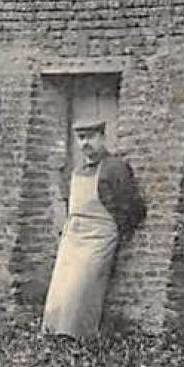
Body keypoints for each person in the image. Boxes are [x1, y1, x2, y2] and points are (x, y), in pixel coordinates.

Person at [41, 118, 147, 339]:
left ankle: (78, 343)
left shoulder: (114, 167)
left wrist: (118, 231)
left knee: (81, 292)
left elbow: (133, 207)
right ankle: (54, 343)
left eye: (90, 137)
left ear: (102, 138)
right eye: (81, 138)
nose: (85, 143)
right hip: (73, 238)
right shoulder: (77, 170)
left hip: (99, 237)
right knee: (59, 293)